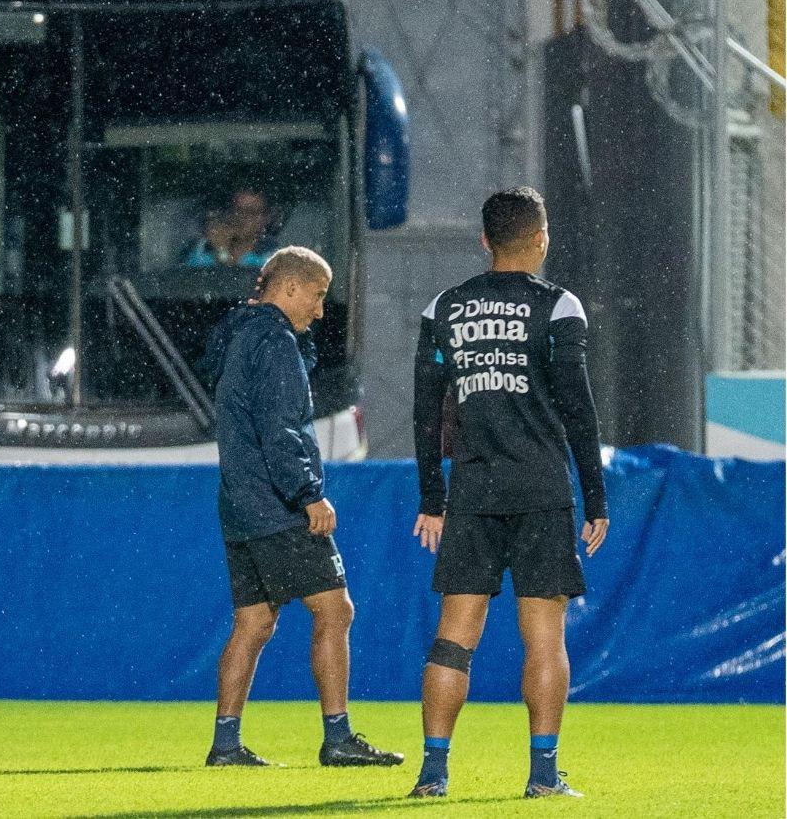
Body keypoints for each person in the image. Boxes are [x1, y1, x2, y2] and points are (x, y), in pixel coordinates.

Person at [409, 186, 609, 799]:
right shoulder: (559, 307)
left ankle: (433, 773)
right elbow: (579, 409)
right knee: (544, 637)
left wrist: (431, 499)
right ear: (541, 239)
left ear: (484, 241)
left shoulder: (445, 307)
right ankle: (542, 775)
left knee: (454, 635)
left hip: (472, 491)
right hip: (542, 489)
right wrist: (596, 499)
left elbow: (423, 411)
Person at [198, 245, 403, 769]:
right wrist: (308, 493)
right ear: (289, 288)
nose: (320, 309)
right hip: (276, 505)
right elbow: (280, 429)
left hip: (239, 505)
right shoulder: (274, 342)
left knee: (253, 624)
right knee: (336, 611)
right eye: (317, 294)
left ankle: (225, 744)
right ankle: (337, 737)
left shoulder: (237, 336)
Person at [182, 186, 277, 268]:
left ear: (266, 218)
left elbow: (236, 285)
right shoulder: (202, 250)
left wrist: (222, 252)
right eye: (237, 210)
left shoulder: (273, 258)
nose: (241, 217)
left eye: (250, 212)